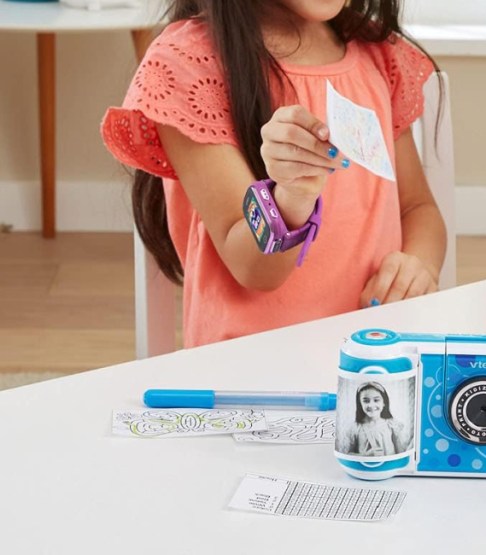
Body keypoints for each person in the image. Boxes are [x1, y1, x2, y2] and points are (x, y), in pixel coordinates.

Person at [101, 0, 446, 347]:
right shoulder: (189, 63)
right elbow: (254, 270)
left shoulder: (377, 53)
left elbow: (416, 208)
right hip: (254, 370)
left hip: (377, 360)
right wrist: (292, 197)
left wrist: (418, 266)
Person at [346, 382, 411, 457]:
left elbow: (401, 453)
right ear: (360, 404)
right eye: (366, 401)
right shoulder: (355, 428)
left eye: (376, 400)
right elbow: (348, 454)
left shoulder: (392, 425)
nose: (371, 405)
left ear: (384, 403)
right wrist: (365, 455)